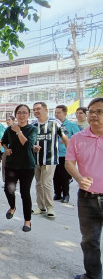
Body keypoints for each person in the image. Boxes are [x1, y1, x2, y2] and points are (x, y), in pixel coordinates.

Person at [65, 98, 103, 279]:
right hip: (88, 198)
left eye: (100, 111)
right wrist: (79, 177)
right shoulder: (77, 138)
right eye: (91, 111)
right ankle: (93, 275)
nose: (94, 115)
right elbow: (69, 162)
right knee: (90, 241)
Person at [2, 105, 37, 232]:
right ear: (15, 114)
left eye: (25, 113)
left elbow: (28, 145)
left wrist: (18, 131)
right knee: (8, 189)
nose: (22, 115)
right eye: (19, 113)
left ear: (28, 115)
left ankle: (27, 221)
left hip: (27, 166)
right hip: (12, 164)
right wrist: (7, 149)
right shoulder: (9, 129)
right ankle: (12, 207)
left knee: (25, 193)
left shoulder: (32, 129)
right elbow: (3, 141)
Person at [32, 102, 68, 218]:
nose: (36, 111)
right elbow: (29, 142)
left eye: (38, 109)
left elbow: (65, 138)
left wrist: (71, 156)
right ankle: (41, 207)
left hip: (50, 159)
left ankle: (50, 207)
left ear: (46, 109)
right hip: (36, 160)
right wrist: (33, 147)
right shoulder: (33, 125)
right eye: (34, 109)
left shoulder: (55, 123)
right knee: (38, 184)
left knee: (46, 183)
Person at [53, 105, 81, 203]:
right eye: (55, 112)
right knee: (55, 175)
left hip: (66, 154)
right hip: (54, 153)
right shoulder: (53, 124)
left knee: (64, 175)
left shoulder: (71, 125)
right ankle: (57, 193)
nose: (56, 114)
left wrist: (68, 140)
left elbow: (79, 139)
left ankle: (66, 195)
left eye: (59, 112)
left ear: (65, 113)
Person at [2, 115, 15, 182]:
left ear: (13, 121)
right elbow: (3, 141)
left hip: (15, 152)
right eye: (7, 120)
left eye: (9, 120)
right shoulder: (6, 129)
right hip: (6, 151)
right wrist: (6, 149)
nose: (7, 121)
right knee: (4, 166)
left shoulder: (17, 129)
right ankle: (5, 180)